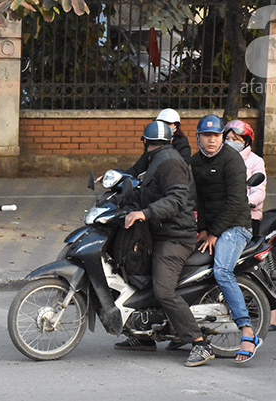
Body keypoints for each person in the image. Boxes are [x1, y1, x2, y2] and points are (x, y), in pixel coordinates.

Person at [114, 121, 215, 367]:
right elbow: (144, 191)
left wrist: (145, 213)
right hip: (159, 234)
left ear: (146, 142)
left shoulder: (169, 162)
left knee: (163, 290)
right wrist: (119, 200)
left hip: (176, 237)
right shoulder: (157, 159)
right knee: (137, 279)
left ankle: (200, 343)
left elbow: (177, 199)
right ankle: (145, 336)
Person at [190, 114, 263, 364]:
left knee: (222, 271)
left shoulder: (232, 160)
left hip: (235, 226)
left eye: (216, 135)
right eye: (206, 135)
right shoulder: (195, 162)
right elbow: (197, 199)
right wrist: (201, 229)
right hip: (211, 227)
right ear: (198, 137)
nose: (212, 140)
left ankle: (247, 331)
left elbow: (236, 202)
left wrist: (214, 232)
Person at [223, 120, 276, 331]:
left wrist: (249, 202)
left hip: (248, 219)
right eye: (227, 139)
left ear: (246, 141)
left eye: (235, 140)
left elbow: (259, 189)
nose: (230, 143)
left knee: (248, 268)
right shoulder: (220, 159)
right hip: (223, 218)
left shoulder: (255, 162)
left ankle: (273, 311)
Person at [125, 108, 191, 178]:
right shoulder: (152, 142)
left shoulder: (182, 145)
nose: (164, 126)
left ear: (176, 127)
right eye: (161, 122)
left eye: (168, 123)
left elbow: (180, 170)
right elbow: (138, 168)